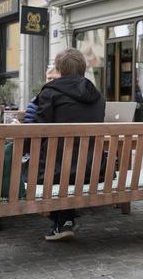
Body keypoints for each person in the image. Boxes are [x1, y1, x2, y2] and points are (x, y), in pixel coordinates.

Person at [34, 48, 105, 241]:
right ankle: (66, 219)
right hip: (92, 169)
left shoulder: (50, 92)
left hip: (55, 171)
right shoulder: (97, 95)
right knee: (66, 162)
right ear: (82, 68)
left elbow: (38, 132)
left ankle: (63, 221)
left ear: (59, 69)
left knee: (40, 162)